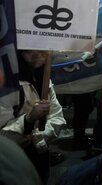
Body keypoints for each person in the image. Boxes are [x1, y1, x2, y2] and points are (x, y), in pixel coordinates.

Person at [0, 50, 66, 182]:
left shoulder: (44, 78)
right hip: (12, 162)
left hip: (40, 154)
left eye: (45, 52)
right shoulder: (6, 83)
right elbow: (3, 139)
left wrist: (38, 136)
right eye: (35, 52)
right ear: (20, 51)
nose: (43, 56)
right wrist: (28, 119)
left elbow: (58, 118)